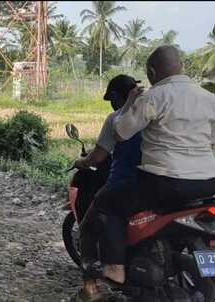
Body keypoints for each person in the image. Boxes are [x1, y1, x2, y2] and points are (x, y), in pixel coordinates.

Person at [83, 45, 215, 290]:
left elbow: (121, 133)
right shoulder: (209, 98)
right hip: (208, 183)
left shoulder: (153, 97)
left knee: (106, 203)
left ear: (152, 72)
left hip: (164, 183)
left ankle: (115, 268)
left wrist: (132, 101)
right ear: (181, 67)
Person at [72, 75, 143, 301]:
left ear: (115, 97)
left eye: (110, 99)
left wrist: (81, 162)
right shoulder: (154, 114)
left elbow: (97, 157)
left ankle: (91, 289)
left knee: (87, 227)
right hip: (167, 182)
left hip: (125, 183)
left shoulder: (116, 118)